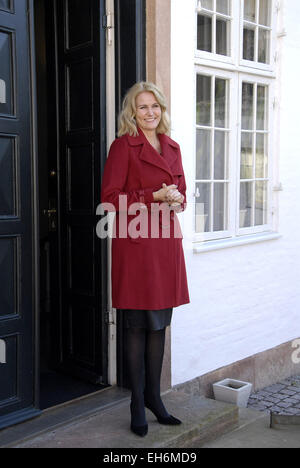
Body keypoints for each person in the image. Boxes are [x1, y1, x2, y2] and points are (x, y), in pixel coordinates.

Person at [101, 82, 190, 437]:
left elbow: (182, 193)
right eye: (143, 107)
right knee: (138, 326)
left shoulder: (172, 146)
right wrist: (152, 195)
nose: (150, 112)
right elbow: (109, 200)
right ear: (132, 113)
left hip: (166, 243)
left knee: (159, 325)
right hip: (136, 247)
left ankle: (154, 396)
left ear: (162, 110)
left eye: (155, 106)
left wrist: (176, 200)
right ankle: (137, 402)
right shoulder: (123, 147)